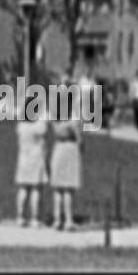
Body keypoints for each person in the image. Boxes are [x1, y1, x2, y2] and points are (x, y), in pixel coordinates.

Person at [49, 79, 83, 230]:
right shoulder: (74, 115)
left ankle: (57, 219)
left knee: (58, 188)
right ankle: (68, 220)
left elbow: (56, 130)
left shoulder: (54, 114)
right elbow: (78, 135)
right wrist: (81, 144)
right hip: (70, 148)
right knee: (68, 188)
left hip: (58, 147)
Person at [14, 102, 48, 228]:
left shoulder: (21, 126)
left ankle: (20, 217)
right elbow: (43, 141)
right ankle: (35, 218)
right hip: (36, 157)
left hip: (23, 158)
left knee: (23, 188)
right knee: (35, 189)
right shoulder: (39, 126)